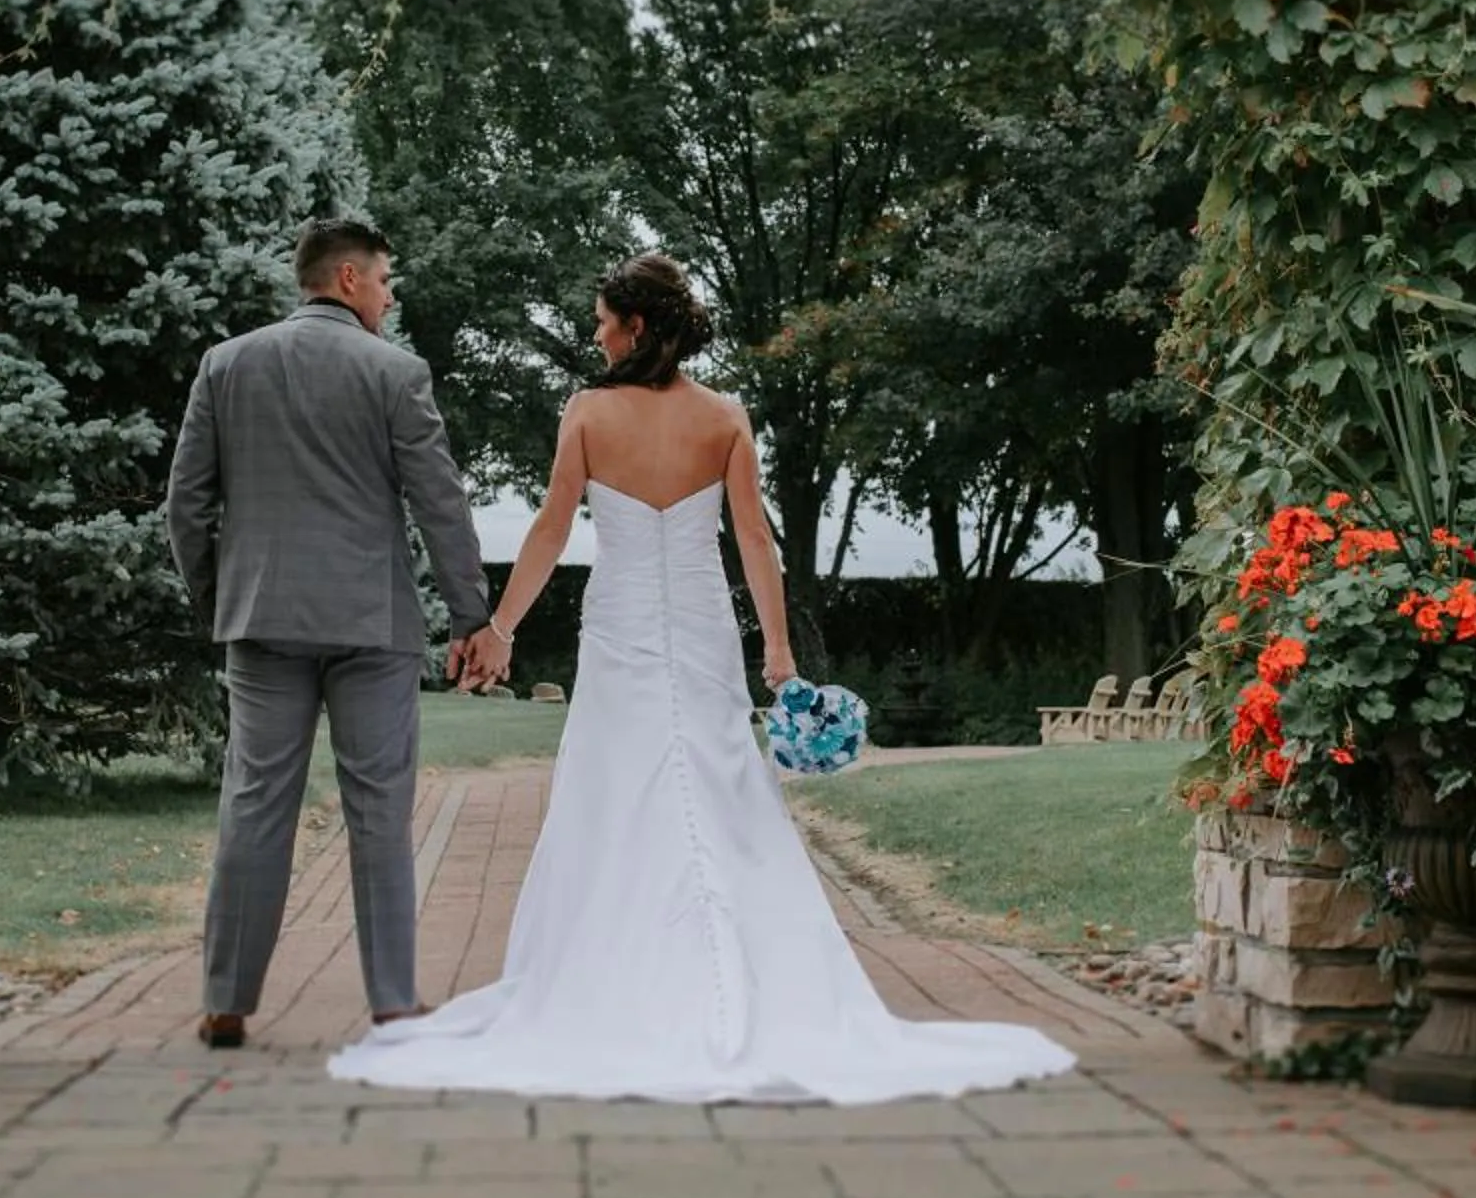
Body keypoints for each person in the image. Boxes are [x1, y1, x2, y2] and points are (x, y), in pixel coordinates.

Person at [328, 253, 1075, 1103]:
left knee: (615, 792)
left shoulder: (588, 414)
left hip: (617, 633)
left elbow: (549, 530)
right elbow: (754, 542)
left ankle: (614, 984)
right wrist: (780, 655)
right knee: (719, 790)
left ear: (637, 327)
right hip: (700, 628)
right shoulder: (724, 418)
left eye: (605, 318)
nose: (596, 332)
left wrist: (501, 628)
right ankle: (746, 979)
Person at [164, 218, 510, 1051]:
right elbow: (440, 503)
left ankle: (225, 1004)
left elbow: (186, 505)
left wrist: (222, 596)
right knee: (381, 811)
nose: (391, 296)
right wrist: (473, 618)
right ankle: (392, 1002)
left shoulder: (227, 364)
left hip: (262, 619)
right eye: (386, 281)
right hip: (372, 623)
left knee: (253, 806)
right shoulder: (395, 372)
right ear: (349, 279)